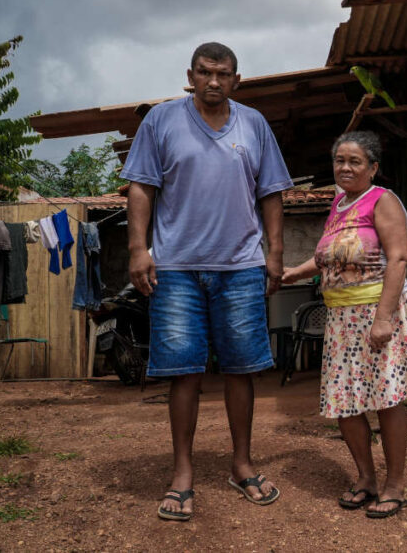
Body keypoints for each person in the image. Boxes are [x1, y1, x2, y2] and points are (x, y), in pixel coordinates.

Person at [122, 42, 293, 521]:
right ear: (190, 75)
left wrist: (275, 254)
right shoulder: (161, 121)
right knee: (184, 371)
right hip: (176, 268)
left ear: (236, 79)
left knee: (242, 368)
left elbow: (272, 193)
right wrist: (138, 250)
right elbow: (141, 187)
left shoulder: (254, 124)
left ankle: (242, 465)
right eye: (204, 72)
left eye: (222, 74)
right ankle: (182, 472)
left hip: (240, 267)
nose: (213, 81)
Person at [282, 131, 407, 518]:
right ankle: (366, 479)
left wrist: (383, 318)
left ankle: (394, 485)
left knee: (386, 399)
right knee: (344, 402)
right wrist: (294, 273)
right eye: (339, 160)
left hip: (376, 312)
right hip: (341, 319)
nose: (345, 167)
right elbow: (329, 257)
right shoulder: (338, 204)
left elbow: (398, 258)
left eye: (355, 161)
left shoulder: (382, 200)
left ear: (373, 167)